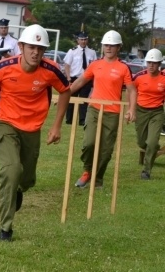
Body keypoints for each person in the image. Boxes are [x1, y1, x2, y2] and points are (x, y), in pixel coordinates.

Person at [0, 25, 71, 241]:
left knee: (27, 179)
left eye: (40, 49)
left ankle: (19, 189)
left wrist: (57, 126)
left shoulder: (50, 70)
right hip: (5, 123)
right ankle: (5, 228)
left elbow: (65, 91)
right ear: (21, 47)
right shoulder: (3, 67)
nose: (35, 53)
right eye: (31, 47)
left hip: (32, 129)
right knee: (11, 170)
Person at [69, 30, 137, 189]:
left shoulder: (123, 68)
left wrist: (131, 109)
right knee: (89, 143)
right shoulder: (95, 64)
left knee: (106, 151)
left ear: (118, 47)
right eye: (106, 45)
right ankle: (87, 171)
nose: (109, 48)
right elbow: (80, 81)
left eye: (112, 45)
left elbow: (132, 90)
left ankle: (98, 178)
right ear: (102, 46)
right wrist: (65, 95)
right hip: (94, 109)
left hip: (112, 113)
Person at [132, 49, 165, 180]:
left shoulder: (163, 78)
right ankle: (154, 148)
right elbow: (131, 91)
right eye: (149, 62)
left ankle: (146, 171)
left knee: (151, 142)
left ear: (159, 64)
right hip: (141, 111)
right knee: (141, 142)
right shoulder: (139, 77)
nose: (151, 65)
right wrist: (131, 110)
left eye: (154, 63)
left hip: (157, 112)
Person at [62, 32, 98, 126]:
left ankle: (82, 119)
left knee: (84, 100)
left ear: (87, 40)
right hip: (74, 78)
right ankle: (69, 119)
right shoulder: (72, 51)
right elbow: (67, 65)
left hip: (86, 79)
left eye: (85, 39)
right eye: (81, 39)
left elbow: (95, 67)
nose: (83, 41)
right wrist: (68, 78)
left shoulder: (92, 52)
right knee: (71, 99)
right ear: (78, 40)